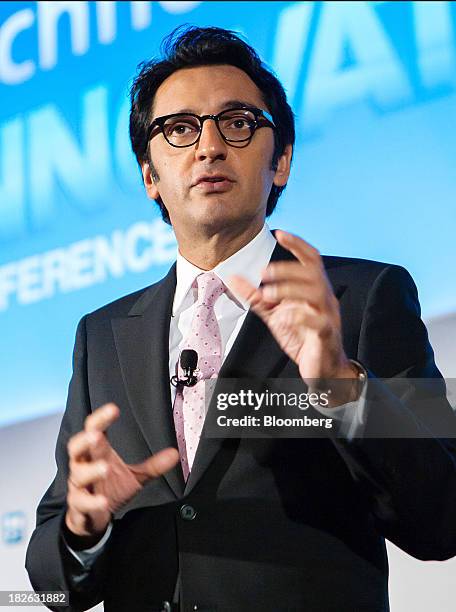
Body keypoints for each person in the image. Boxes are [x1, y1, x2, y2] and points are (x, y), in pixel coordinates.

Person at [26, 26, 456, 612]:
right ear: (150, 176)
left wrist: (341, 386)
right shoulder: (101, 336)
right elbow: (51, 591)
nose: (208, 147)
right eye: (178, 129)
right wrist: (83, 527)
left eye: (237, 122)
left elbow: (443, 519)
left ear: (280, 161)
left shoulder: (364, 295)